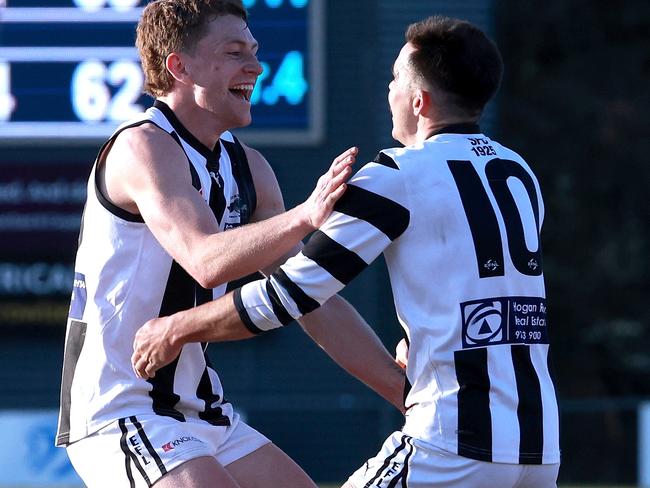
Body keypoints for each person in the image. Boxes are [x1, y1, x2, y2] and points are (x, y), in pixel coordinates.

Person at [132, 14, 562, 488]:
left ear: (419, 101)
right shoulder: (518, 173)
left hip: (451, 444)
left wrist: (176, 328)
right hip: (538, 448)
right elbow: (491, 303)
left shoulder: (395, 176)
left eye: (395, 78)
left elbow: (289, 296)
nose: (389, 90)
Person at [56, 1, 406, 487]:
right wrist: (305, 215)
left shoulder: (250, 169)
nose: (256, 66)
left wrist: (401, 389)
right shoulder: (143, 147)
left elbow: (309, 297)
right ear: (178, 65)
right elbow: (205, 260)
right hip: (121, 410)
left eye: (255, 51)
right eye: (234, 52)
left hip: (205, 413)